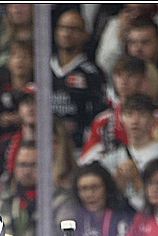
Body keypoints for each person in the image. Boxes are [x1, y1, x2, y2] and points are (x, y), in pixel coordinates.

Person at [79, 93, 158, 211]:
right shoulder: (112, 156)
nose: (135, 121)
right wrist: (115, 183)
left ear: (152, 119)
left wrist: (136, 180)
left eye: (142, 115)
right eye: (129, 114)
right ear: (121, 118)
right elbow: (104, 199)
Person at [50, 9, 108, 149]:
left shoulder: (92, 73)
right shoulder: (41, 69)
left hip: (78, 148)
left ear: (85, 35)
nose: (66, 33)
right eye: (62, 27)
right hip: (45, 146)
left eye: (73, 29)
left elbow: (98, 114)